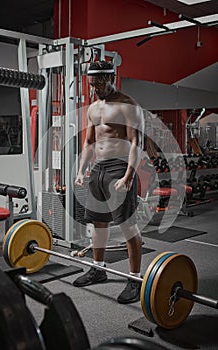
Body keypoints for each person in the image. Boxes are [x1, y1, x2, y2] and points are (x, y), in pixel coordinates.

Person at [73, 60, 144, 304]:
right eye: (92, 85)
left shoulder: (128, 105)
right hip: (98, 170)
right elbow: (89, 143)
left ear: (110, 78)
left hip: (119, 168)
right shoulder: (93, 108)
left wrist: (129, 176)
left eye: (99, 84)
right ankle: (98, 268)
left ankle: (135, 279)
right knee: (98, 223)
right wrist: (82, 170)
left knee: (127, 226)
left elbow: (136, 143)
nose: (95, 89)